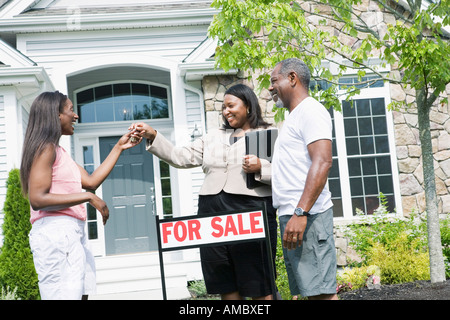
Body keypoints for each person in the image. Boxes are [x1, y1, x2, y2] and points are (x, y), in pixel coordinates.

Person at [130, 83, 277, 300]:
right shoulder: (211, 136)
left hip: (251, 211)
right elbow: (180, 157)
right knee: (225, 280)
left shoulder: (267, 134)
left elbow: (287, 174)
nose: (226, 111)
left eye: (231, 105)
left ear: (248, 106)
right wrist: (153, 135)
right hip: (211, 213)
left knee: (258, 281)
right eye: (223, 108)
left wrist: (261, 168)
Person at [20, 91, 141, 300]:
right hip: (56, 233)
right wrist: (88, 197)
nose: (76, 116)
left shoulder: (58, 151)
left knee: (83, 294)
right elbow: (37, 199)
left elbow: (91, 181)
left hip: (72, 231)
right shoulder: (45, 149)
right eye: (71, 110)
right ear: (56, 115)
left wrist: (119, 146)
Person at [269, 58, 338, 300]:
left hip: (308, 216)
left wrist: (300, 213)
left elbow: (323, 162)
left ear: (292, 78)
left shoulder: (311, 110)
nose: (270, 88)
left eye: (273, 81)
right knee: (312, 294)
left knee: (322, 295)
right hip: (296, 216)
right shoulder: (294, 116)